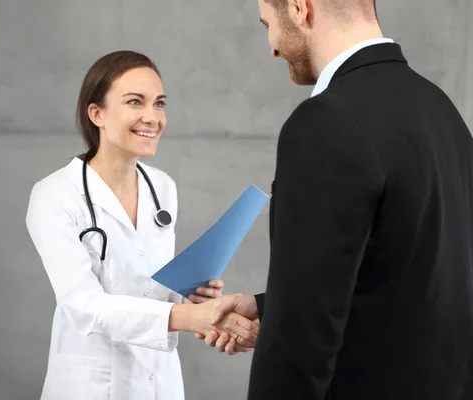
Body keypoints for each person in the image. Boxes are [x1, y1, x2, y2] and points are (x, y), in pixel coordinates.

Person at [199, 0, 473, 399]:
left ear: (298, 8)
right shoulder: (443, 113)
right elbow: (417, 276)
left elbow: (300, 342)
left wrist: (288, 315)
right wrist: (269, 305)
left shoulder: (327, 121)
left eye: (267, 25)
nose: (272, 46)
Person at [25, 50, 260, 400]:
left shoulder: (162, 186)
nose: (152, 117)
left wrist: (199, 303)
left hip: (159, 380)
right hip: (92, 384)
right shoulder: (54, 195)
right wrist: (188, 317)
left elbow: (150, 288)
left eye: (159, 104)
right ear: (97, 114)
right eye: (135, 102)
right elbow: (83, 306)